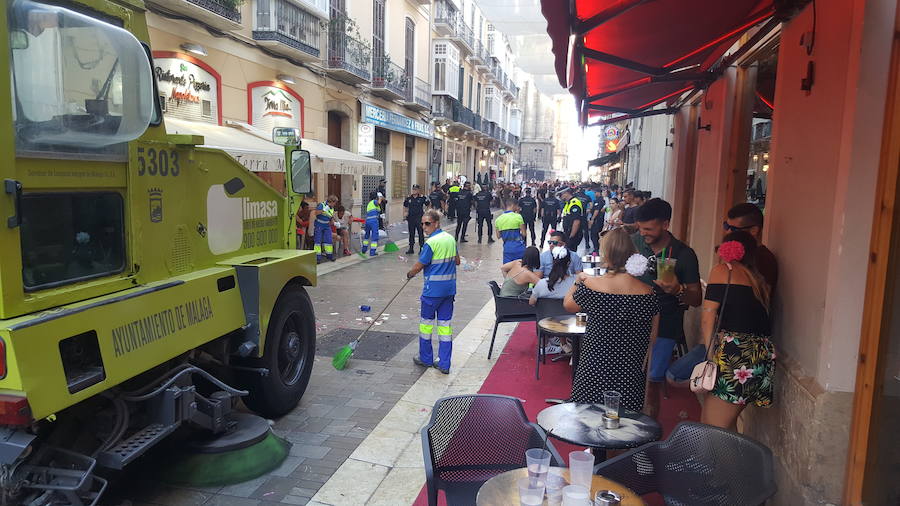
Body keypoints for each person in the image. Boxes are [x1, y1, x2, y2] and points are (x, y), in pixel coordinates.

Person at [563, 227, 659, 409]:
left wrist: (578, 280)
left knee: (587, 420)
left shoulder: (593, 285)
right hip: (629, 372)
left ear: (604, 254)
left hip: (594, 367)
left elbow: (568, 304)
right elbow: (653, 337)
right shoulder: (649, 293)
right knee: (624, 425)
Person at [631, 198, 702, 417]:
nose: (643, 233)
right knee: (627, 380)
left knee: (652, 384)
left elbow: (696, 298)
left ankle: (647, 439)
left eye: (649, 229)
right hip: (631, 321)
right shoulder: (634, 243)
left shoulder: (683, 254)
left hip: (665, 325)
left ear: (665, 224)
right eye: (640, 228)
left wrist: (677, 290)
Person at [701, 231, 774, 430]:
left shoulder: (723, 271)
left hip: (735, 354)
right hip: (757, 355)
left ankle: (718, 462)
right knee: (725, 425)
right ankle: (730, 462)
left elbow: (708, 317)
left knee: (713, 427)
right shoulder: (756, 279)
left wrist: (708, 356)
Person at [407, 210, 460, 374]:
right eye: (423, 224)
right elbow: (457, 261)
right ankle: (444, 363)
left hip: (432, 292)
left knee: (426, 325)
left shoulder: (431, 243)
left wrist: (410, 274)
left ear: (436, 223)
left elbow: (420, 264)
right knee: (445, 327)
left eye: (427, 224)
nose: (424, 227)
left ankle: (426, 358)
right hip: (449, 290)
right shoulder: (450, 239)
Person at [724, 203, 778, 290]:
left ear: (754, 230)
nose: (728, 232)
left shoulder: (762, 258)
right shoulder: (740, 254)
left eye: (734, 229)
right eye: (726, 226)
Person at [313, 195, 338, 263]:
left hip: (327, 226)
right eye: (335, 203)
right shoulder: (322, 205)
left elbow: (331, 218)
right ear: (331, 202)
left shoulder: (331, 208)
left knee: (328, 241)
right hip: (319, 225)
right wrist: (323, 210)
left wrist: (335, 223)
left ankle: (329, 256)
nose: (335, 204)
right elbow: (316, 213)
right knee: (318, 241)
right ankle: (317, 258)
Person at [404, 184, 428, 254]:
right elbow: (405, 206)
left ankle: (421, 248)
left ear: (418, 190)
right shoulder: (409, 198)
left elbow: (428, 204)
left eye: (415, 189)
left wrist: (426, 213)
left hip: (419, 218)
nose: (414, 191)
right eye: (413, 189)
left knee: (420, 233)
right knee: (411, 233)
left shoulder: (422, 197)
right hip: (411, 218)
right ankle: (411, 248)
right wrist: (405, 213)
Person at [362, 192, 383, 257]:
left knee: (366, 235)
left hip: (368, 221)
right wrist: (380, 198)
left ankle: (364, 250)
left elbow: (375, 212)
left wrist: (380, 216)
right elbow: (378, 203)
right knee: (375, 237)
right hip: (373, 222)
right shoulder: (374, 202)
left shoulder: (369, 204)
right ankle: (372, 252)